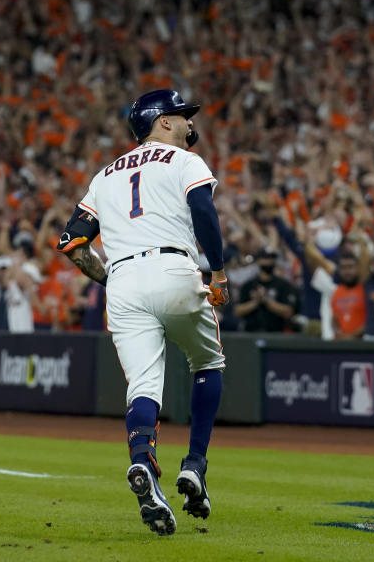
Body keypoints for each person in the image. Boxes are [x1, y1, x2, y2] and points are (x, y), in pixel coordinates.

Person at [58, 89, 228, 536]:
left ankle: (142, 462)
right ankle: (194, 465)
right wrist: (219, 273)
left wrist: (111, 282)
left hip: (124, 281)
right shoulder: (184, 161)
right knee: (208, 362)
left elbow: (72, 245)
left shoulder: (105, 175)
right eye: (182, 115)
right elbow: (204, 211)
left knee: (143, 386)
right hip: (174, 267)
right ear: (163, 123)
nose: (190, 122)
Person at [234, 249, 299, 332]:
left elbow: (289, 312)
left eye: (271, 258)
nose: (269, 261)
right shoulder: (249, 285)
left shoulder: (283, 285)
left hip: (276, 333)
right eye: (265, 258)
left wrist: (267, 300)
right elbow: (237, 311)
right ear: (258, 261)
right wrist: (256, 302)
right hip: (251, 333)